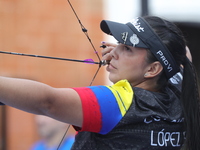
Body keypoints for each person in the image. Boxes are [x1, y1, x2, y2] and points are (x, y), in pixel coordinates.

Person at [0, 16, 200, 150]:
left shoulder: (122, 102)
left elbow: (47, 101)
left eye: (127, 49)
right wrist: (129, 53)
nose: (113, 53)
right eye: (119, 44)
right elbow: (182, 56)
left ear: (153, 69)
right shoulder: (177, 91)